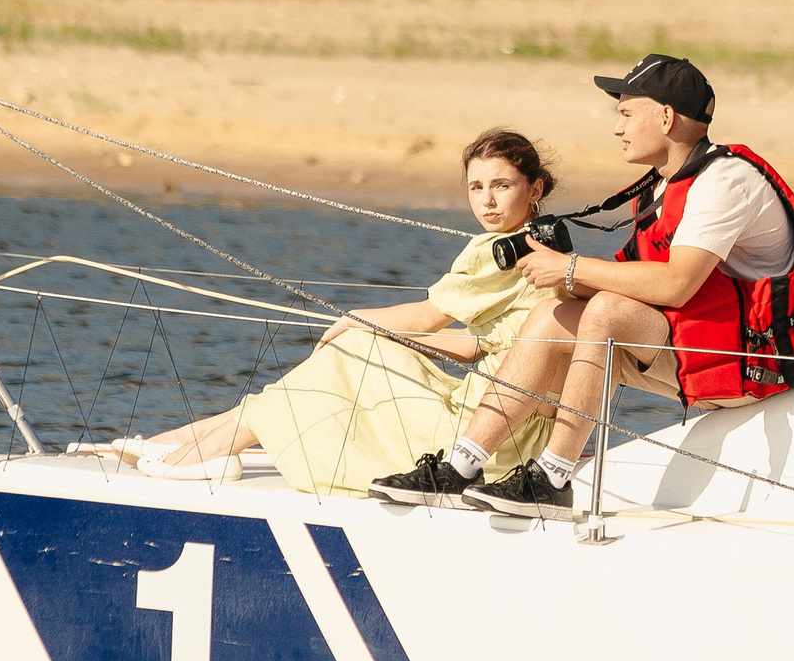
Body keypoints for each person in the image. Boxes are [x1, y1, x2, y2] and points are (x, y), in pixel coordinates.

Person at [370, 53, 794, 515]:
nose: (616, 128)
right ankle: (461, 465)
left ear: (667, 118)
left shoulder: (725, 182)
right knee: (552, 314)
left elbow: (675, 286)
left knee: (606, 311)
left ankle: (554, 478)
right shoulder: (662, 184)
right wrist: (563, 279)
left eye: (627, 113)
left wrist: (568, 269)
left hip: (766, 366)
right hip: (707, 351)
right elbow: (644, 287)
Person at [104, 129, 559, 494]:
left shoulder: (501, 252)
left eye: (502, 185)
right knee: (362, 347)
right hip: (517, 434)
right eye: (476, 187)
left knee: (353, 347)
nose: (487, 200)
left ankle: (209, 445)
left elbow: (426, 318)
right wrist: (378, 336)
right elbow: (478, 344)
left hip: (484, 433)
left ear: (534, 188)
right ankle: (194, 438)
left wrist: (353, 320)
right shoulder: (550, 245)